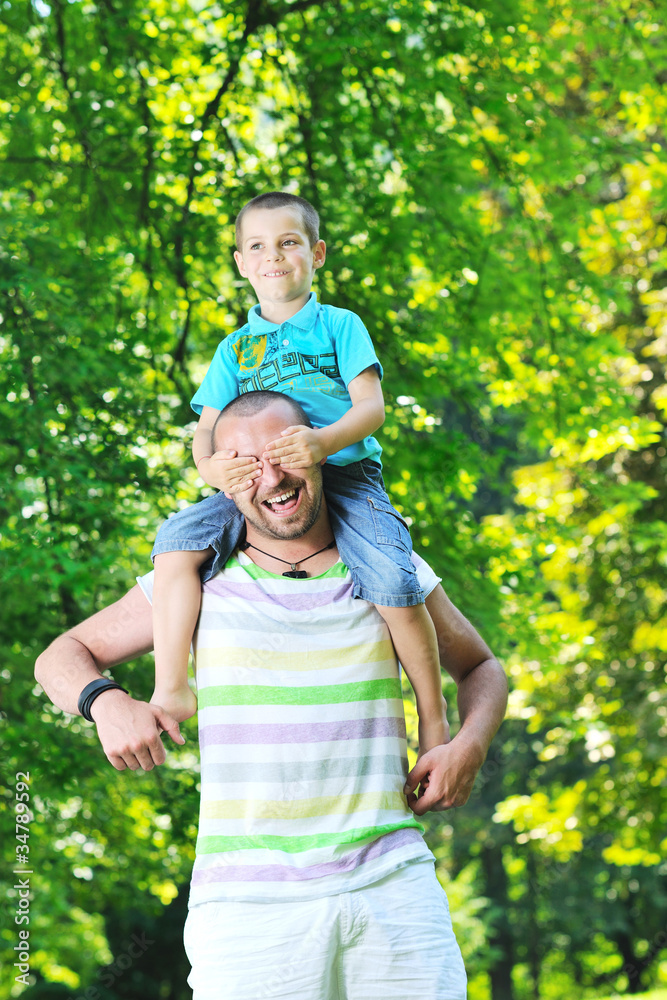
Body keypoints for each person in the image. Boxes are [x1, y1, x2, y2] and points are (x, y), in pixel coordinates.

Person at [35, 392, 507, 1000]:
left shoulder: (387, 566)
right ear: (220, 476)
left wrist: (468, 745)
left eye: (285, 453)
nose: (273, 477)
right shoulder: (191, 582)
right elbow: (59, 658)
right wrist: (106, 701)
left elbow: (483, 666)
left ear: (319, 449)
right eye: (246, 462)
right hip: (247, 909)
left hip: (392, 890)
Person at [149, 191, 447, 768]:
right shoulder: (235, 348)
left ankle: (433, 718)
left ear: (317, 253)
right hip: (261, 481)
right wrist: (215, 470)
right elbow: (204, 432)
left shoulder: (340, 325)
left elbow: (371, 407)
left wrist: (323, 442)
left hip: (343, 473)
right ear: (240, 263)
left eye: (288, 242)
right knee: (173, 544)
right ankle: (172, 686)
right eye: (257, 246)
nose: (273, 256)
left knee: (393, 574)